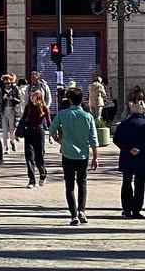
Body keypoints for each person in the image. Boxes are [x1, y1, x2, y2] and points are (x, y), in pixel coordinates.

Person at [50, 85, 99, 225]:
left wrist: (58, 139)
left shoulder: (62, 114)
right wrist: (95, 157)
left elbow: (52, 129)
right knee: (82, 183)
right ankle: (82, 211)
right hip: (83, 155)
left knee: (69, 185)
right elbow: (94, 139)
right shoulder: (88, 116)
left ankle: (73, 215)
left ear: (70, 100)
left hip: (67, 153)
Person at [113, 96, 145, 218]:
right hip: (142, 157)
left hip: (127, 156)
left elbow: (116, 139)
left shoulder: (123, 124)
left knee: (126, 182)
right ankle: (136, 210)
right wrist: (139, 148)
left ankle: (126, 209)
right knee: (139, 184)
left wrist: (128, 148)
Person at [20, 87, 51, 189]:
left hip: (39, 132)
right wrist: (16, 133)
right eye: (30, 95)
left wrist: (52, 135)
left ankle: (43, 173)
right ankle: (32, 180)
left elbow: (49, 123)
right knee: (29, 157)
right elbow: (23, 120)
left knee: (39, 158)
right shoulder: (28, 107)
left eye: (33, 95)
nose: (31, 97)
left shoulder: (44, 108)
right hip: (28, 132)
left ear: (38, 96)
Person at [0, 73, 23, 153]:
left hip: (12, 110)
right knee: (4, 130)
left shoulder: (15, 89)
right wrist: (3, 99)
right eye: (6, 83)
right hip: (4, 111)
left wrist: (12, 98)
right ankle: (6, 147)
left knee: (12, 129)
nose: (7, 85)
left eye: (9, 83)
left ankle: (12, 141)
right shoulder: (1, 89)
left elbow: (19, 100)